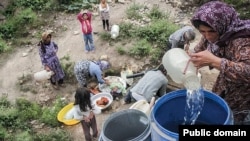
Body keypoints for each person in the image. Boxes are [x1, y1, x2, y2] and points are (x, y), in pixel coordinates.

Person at [189, 1, 250, 124]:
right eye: (202, 31)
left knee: (236, 114)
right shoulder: (217, 32)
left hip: (245, 89)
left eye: (211, 31)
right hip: (227, 81)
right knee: (219, 104)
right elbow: (201, 48)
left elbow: (247, 71)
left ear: (223, 26)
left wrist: (214, 61)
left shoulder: (242, 41)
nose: (207, 36)